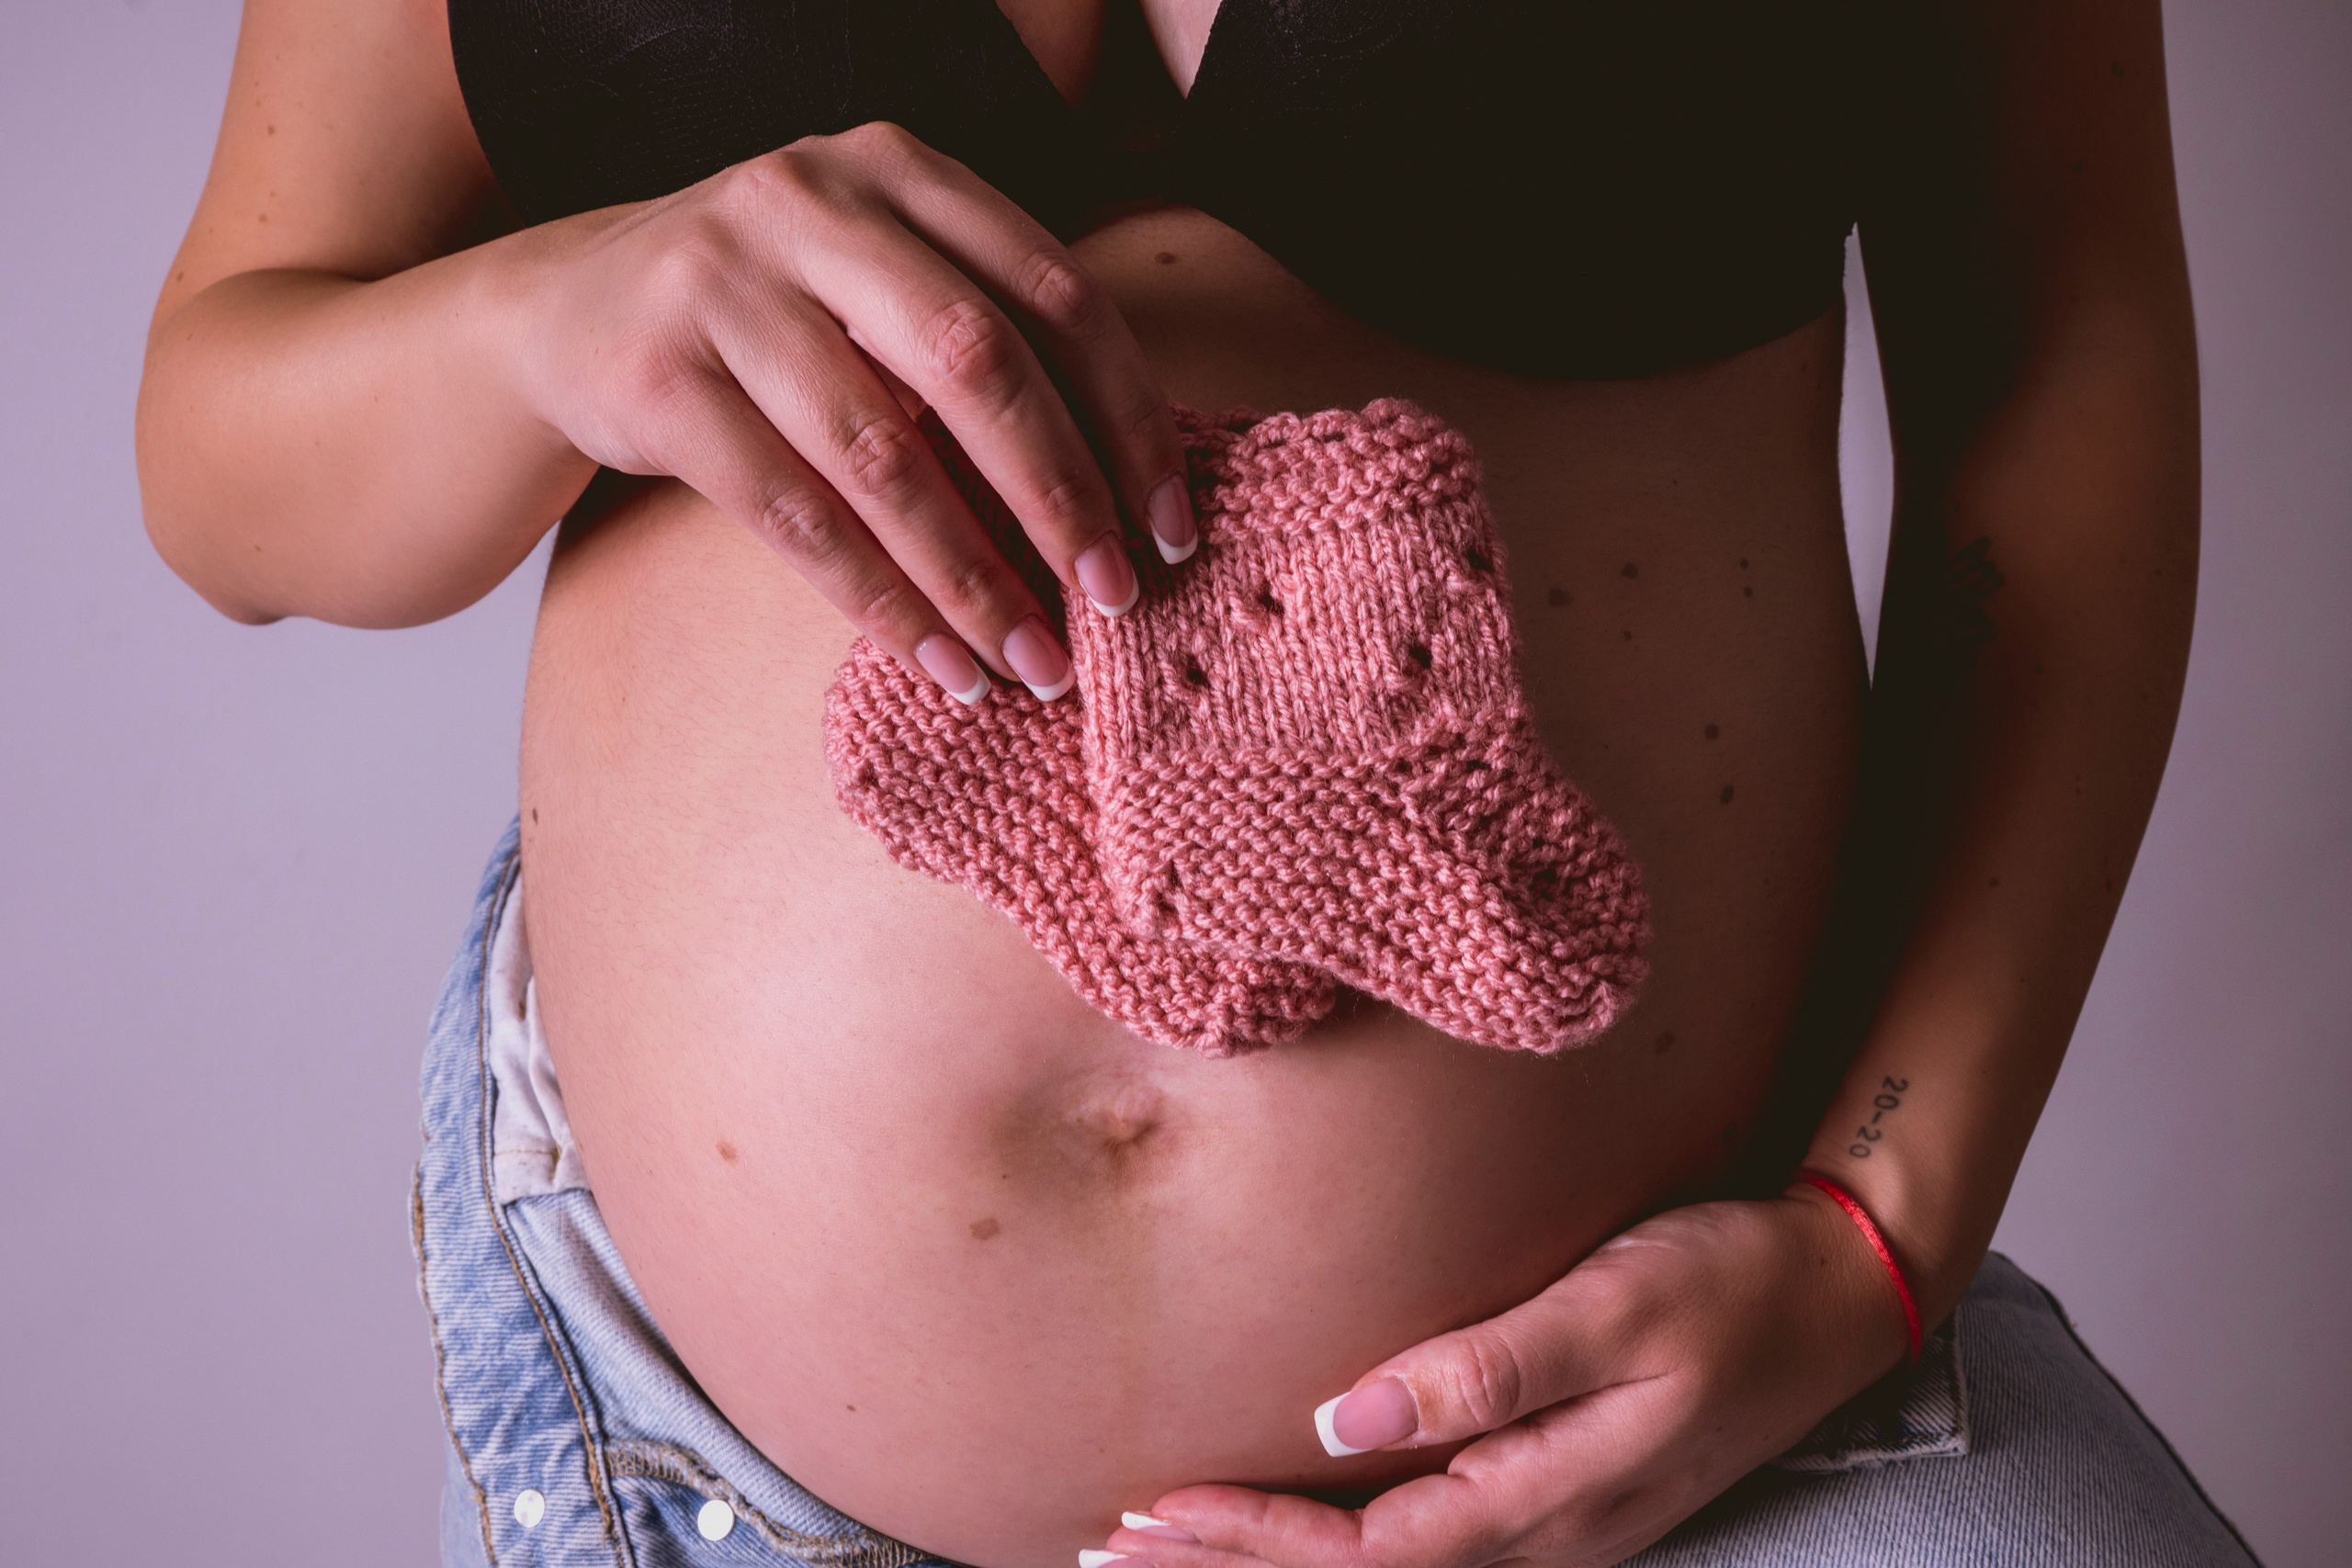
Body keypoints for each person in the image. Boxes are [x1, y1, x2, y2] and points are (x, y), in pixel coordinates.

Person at [135, 1, 2256, 1564]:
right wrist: (534, 319)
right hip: (700, 1449)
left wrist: (1880, 1213)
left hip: (1681, 1425)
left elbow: (2053, 380)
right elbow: (218, 452)